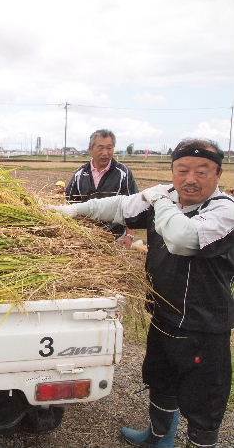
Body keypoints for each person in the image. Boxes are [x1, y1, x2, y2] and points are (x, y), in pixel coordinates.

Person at [49, 138, 233, 448]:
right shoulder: (169, 198)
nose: (190, 179)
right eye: (182, 170)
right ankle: (159, 437)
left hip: (203, 326)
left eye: (202, 171)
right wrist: (63, 211)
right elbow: (116, 206)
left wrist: (160, 200)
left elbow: (181, 239)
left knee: (204, 400)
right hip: (163, 316)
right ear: (173, 171)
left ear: (218, 175)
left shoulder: (225, 211)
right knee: (160, 379)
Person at [65, 129, 139, 244]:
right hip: (85, 237)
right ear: (90, 149)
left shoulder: (123, 173)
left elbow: (134, 206)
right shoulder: (80, 175)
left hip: (115, 237)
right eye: (100, 148)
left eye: (109, 148)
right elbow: (69, 204)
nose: (105, 153)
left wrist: (129, 236)